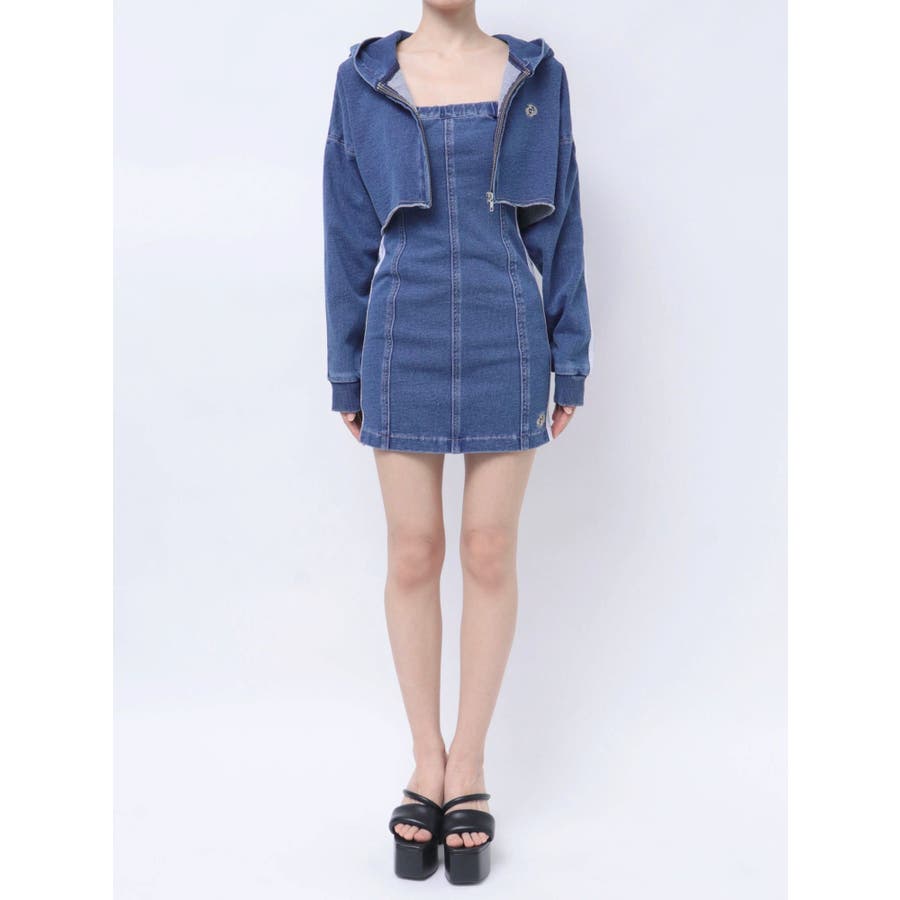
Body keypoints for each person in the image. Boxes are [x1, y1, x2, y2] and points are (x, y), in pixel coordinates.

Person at [322, 3, 592, 885]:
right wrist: (346, 368)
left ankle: (468, 765)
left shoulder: (535, 76)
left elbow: (561, 221)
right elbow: (346, 232)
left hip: (506, 329)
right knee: (413, 552)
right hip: (399, 329)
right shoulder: (364, 79)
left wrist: (571, 354)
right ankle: (425, 760)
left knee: (486, 548)